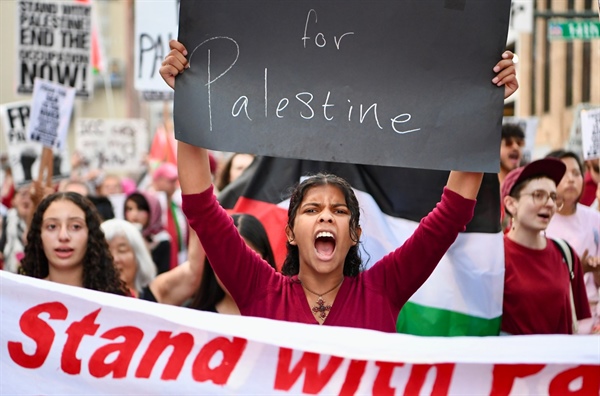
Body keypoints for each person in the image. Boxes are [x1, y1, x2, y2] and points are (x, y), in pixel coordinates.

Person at [160, 40, 519, 332]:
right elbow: (203, 210)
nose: (327, 217)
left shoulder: (384, 288)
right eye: (312, 209)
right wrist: (190, 99)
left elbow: (451, 215)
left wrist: (481, 109)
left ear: (355, 233)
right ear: (289, 232)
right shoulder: (259, 290)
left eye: (340, 210)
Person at [500, 158, 591, 335]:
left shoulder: (566, 254)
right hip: (515, 361)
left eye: (553, 197)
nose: (549, 204)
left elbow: (580, 326)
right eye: (538, 195)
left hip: (563, 361)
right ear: (511, 204)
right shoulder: (495, 255)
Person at [19, 192, 127, 295]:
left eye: (75, 226)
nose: (63, 236)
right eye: (52, 226)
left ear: (90, 235)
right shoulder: (20, 299)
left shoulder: (116, 303)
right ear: (39, 236)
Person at [544, 150, 600, 332]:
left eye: (576, 173)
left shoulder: (595, 218)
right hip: (558, 320)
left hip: (593, 320)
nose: (571, 179)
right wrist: (576, 270)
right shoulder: (541, 222)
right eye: (564, 173)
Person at [188, 213, 276, 314]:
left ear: (266, 261)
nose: (235, 272)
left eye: (245, 262)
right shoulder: (192, 319)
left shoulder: (283, 317)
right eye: (227, 261)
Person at [101, 219, 157, 298]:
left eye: (122, 250)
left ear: (138, 256)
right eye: (107, 252)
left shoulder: (156, 294)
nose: (114, 259)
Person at [124, 191, 172, 274]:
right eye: (129, 209)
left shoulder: (161, 240)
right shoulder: (122, 237)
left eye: (140, 209)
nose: (134, 214)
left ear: (153, 211)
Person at [153, 162, 188, 269]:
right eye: (170, 181)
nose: (173, 184)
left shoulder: (177, 206)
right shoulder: (149, 205)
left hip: (180, 259)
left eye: (174, 181)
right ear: (157, 181)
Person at [0, 184, 33, 273]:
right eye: (23, 195)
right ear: (13, 201)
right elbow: (3, 243)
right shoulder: (7, 219)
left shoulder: (40, 221)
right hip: (10, 269)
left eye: (30, 195)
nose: (26, 199)